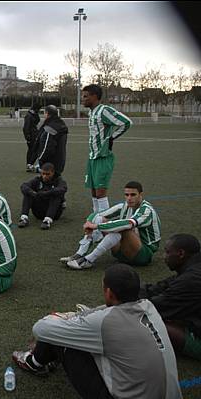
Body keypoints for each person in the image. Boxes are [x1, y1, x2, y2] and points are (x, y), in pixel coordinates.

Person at [12, 264, 182, 399]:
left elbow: (41, 329)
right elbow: (99, 311)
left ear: (108, 292)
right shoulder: (148, 306)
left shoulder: (106, 322)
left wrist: (61, 317)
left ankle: (34, 363)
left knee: (61, 336)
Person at [61, 181, 160, 270]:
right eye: (126, 195)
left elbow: (128, 223)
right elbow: (97, 214)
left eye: (133, 195)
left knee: (124, 228)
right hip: (122, 254)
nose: (129, 198)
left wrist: (97, 226)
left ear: (140, 195)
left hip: (142, 255)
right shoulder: (124, 206)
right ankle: (80, 254)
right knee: (100, 219)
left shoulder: (146, 210)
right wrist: (89, 222)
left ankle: (88, 260)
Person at [140, 233, 201, 360]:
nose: (164, 257)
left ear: (181, 254)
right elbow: (162, 286)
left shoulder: (191, 279)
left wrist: (127, 298)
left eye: (167, 252)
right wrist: (134, 288)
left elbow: (155, 307)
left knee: (147, 322)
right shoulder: (191, 269)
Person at [82, 84, 132, 213]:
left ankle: (104, 225)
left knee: (100, 193)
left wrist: (111, 138)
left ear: (94, 96)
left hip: (103, 157)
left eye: (85, 96)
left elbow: (126, 122)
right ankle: (96, 225)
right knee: (93, 192)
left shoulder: (104, 110)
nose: (83, 99)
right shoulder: (91, 112)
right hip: (92, 157)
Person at [18, 163, 67, 230]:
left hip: (54, 213)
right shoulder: (37, 180)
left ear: (53, 173)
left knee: (56, 195)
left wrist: (46, 193)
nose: (44, 176)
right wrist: (33, 193)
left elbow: (63, 189)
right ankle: (24, 218)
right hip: (38, 212)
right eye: (43, 173)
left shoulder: (59, 181)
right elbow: (24, 186)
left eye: (47, 174)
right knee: (28, 193)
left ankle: (47, 221)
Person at [31, 105, 68, 175]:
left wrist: (40, 160)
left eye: (44, 113)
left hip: (49, 165)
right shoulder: (61, 125)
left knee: (47, 183)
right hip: (59, 162)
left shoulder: (50, 128)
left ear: (47, 113)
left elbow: (47, 147)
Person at [22, 104, 40, 172]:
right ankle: (30, 164)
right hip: (31, 136)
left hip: (34, 135)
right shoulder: (28, 116)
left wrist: (35, 114)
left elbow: (37, 121)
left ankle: (29, 165)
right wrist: (27, 137)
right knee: (34, 150)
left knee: (32, 150)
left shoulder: (32, 115)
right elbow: (25, 127)